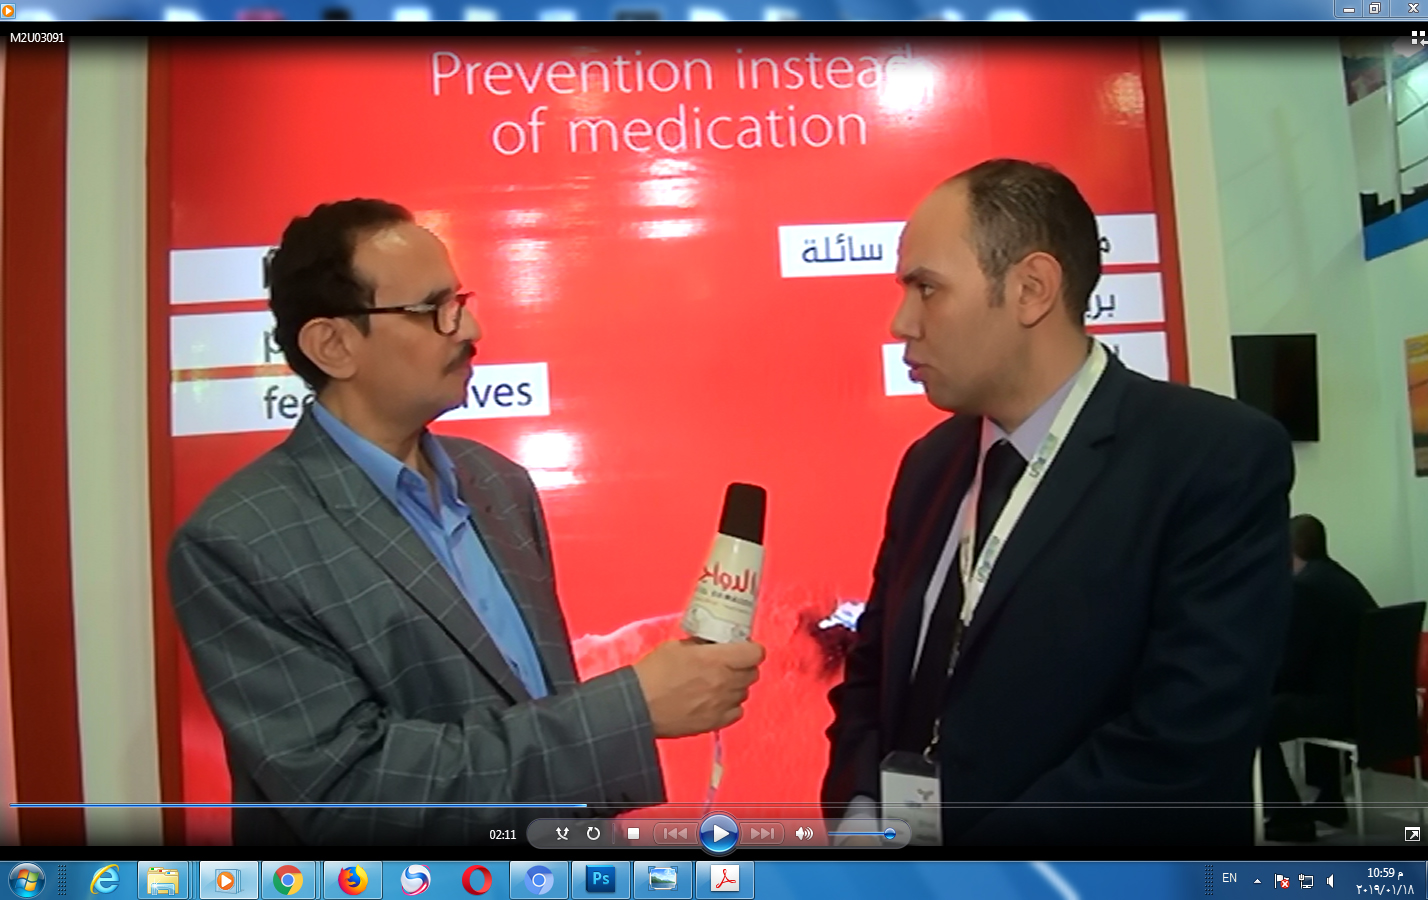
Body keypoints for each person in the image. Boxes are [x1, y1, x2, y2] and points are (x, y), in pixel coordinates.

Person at [168, 199, 764, 845]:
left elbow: (535, 706)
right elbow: (353, 794)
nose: (469, 327)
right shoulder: (239, 541)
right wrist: (630, 710)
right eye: (433, 309)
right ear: (333, 344)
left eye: (460, 301)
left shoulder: (497, 485)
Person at [821, 159, 1295, 846]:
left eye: (927, 288)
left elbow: (1183, 742)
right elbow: (873, 673)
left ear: (1031, 289)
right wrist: (861, 814)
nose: (902, 322)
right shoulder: (930, 466)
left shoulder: (1209, 457)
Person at [1261, 514, 1379, 842]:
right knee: (1306, 695)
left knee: (1252, 716)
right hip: (1371, 708)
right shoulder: (1344, 581)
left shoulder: (1305, 589)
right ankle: (1330, 800)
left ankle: (1288, 817)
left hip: (1339, 710)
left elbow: (1290, 665)